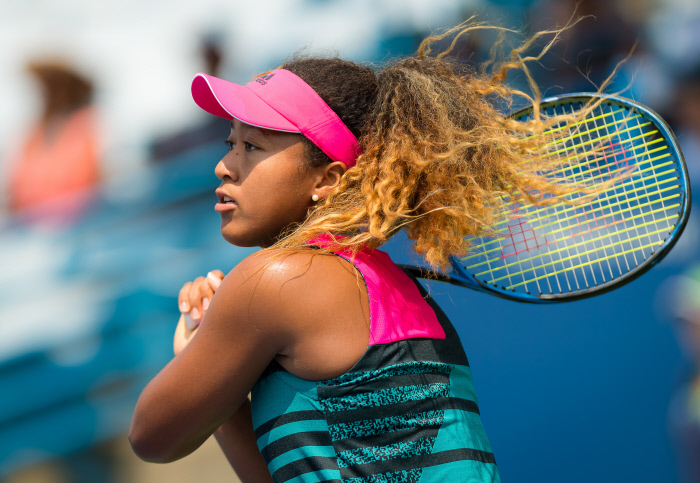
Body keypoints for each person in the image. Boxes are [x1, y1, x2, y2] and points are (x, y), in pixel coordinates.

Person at [130, 22, 592, 482]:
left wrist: (202, 351)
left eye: (252, 146)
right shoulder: (395, 287)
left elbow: (151, 437)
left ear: (327, 179)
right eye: (230, 142)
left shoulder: (274, 282)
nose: (224, 165)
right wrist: (219, 382)